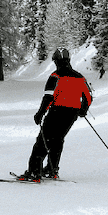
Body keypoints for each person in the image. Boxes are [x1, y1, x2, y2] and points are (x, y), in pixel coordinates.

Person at [17, 47, 91, 181]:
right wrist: (83, 110)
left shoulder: (55, 77)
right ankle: (52, 169)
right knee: (57, 140)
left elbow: (48, 97)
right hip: (71, 115)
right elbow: (88, 95)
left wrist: (40, 113)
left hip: (56, 112)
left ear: (56, 61)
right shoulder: (80, 77)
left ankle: (34, 171)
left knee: (43, 141)